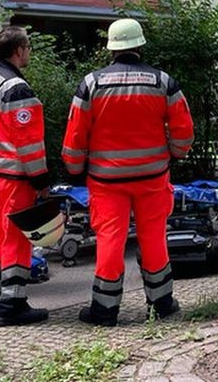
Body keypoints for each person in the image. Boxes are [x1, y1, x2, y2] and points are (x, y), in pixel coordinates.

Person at [62, 18, 195, 327]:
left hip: (107, 180)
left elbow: (75, 135)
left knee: (110, 239)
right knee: (153, 237)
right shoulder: (162, 82)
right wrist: (174, 154)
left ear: (111, 49)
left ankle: (104, 310)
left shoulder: (92, 84)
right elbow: (183, 131)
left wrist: (73, 168)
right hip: (152, 177)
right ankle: (162, 304)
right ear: (140, 45)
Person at [0, 26, 49, 326]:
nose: (29, 52)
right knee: (17, 238)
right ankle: (13, 304)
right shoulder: (16, 88)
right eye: (28, 47)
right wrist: (41, 181)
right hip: (16, 177)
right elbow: (29, 143)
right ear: (18, 51)